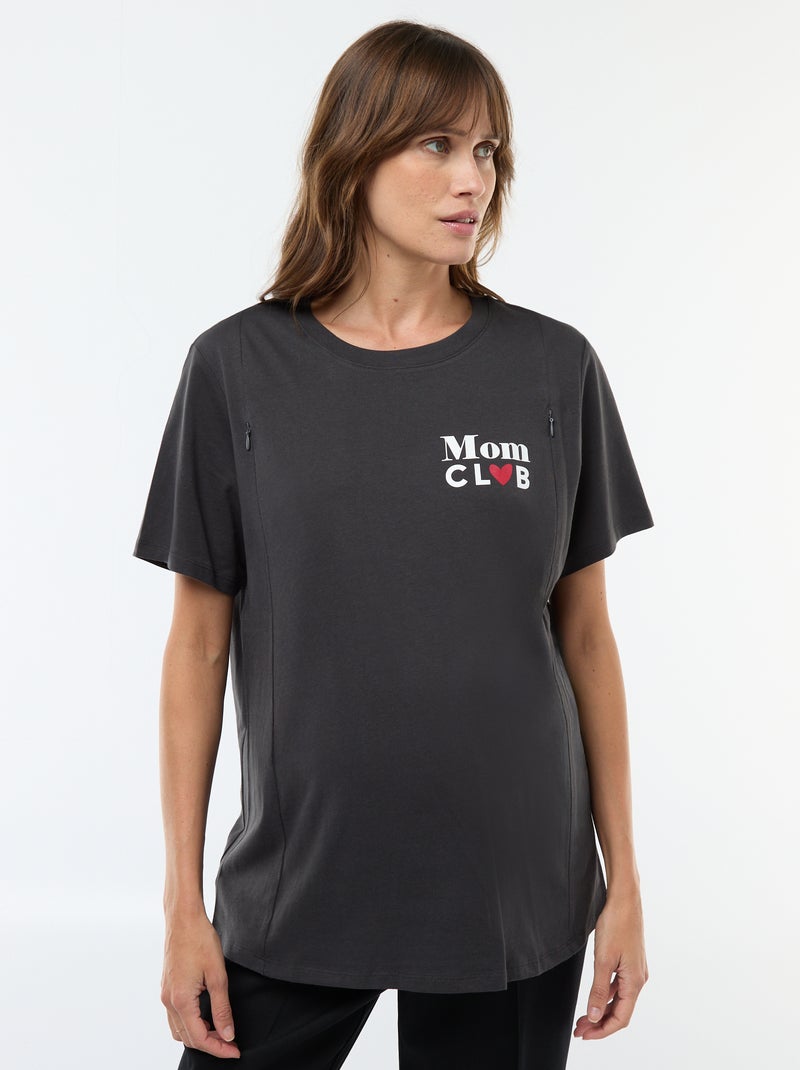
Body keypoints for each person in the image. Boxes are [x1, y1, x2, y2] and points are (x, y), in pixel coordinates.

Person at [132, 18, 654, 1069]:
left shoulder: (552, 369)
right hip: (300, 883)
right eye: (437, 144)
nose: (472, 180)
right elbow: (197, 643)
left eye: (487, 150)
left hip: (514, 889)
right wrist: (183, 903)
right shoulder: (237, 369)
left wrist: (625, 883)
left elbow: (586, 637)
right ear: (353, 154)